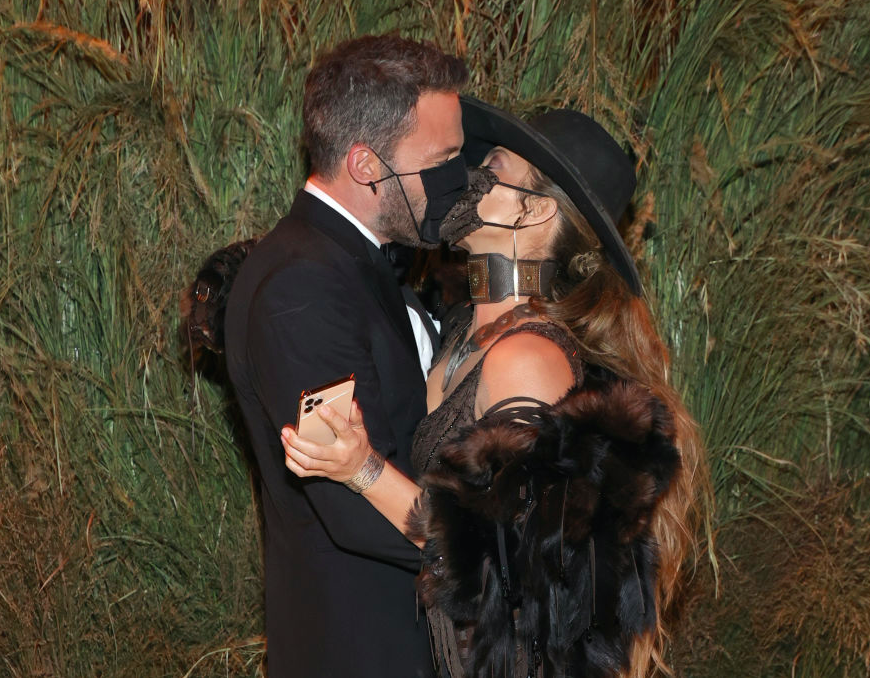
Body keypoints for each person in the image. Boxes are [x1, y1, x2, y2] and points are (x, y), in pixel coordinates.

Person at [280, 96, 704, 677]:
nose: (465, 180)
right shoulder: (462, 331)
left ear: (533, 214)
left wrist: (363, 471)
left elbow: (503, 561)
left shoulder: (525, 359)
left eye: (492, 171)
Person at [222, 35, 467, 677]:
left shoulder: (354, 261)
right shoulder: (301, 288)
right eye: (440, 162)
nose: (455, 182)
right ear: (365, 165)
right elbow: (349, 503)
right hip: (362, 650)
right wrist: (487, 549)